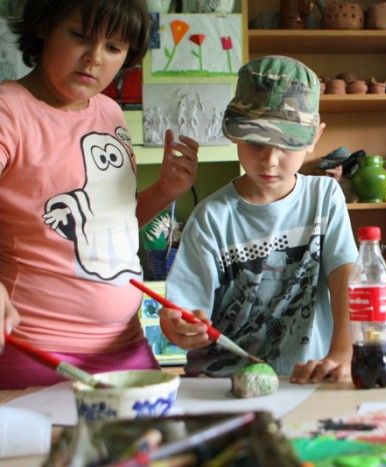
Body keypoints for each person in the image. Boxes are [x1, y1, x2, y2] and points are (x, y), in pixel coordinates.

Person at [0, 0, 199, 389]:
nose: (94, 58)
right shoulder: (10, 110)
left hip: (125, 345)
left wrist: (166, 190)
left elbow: (106, 225)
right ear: (44, 27)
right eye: (80, 36)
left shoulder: (109, 112)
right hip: (36, 351)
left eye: (113, 47)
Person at [163, 55, 358, 384]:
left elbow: (346, 277)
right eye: (255, 143)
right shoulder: (211, 218)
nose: (270, 160)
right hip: (222, 385)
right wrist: (179, 326)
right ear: (234, 134)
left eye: (286, 144)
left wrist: (343, 351)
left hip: (306, 379)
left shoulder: (325, 197)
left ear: (314, 137)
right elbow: (181, 310)